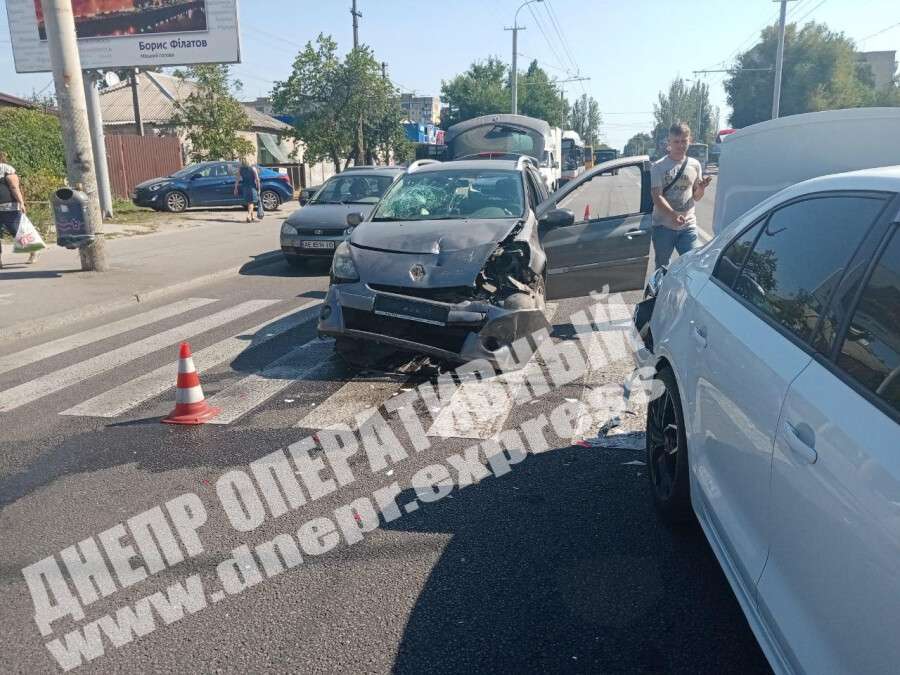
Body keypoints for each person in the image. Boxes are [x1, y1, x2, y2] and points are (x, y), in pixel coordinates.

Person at [649, 122, 712, 269]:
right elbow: (656, 197)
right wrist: (673, 215)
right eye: (676, 141)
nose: (680, 145)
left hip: (688, 226)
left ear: (689, 141)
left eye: (684, 141)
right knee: (662, 268)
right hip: (663, 227)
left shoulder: (695, 165)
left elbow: (696, 197)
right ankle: (661, 292)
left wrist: (701, 188)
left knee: (693, 265)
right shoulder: (658, 167)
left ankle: (685, 292)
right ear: (669, 142)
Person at [0, 152, 37, 269]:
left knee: (17, 231)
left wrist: (21, 202)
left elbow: (14, 187)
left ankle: (33, 251)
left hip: (8, 205)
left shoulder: (7, 169)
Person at [234, 158, 261, 222]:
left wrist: (235, 188)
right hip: (252, 187)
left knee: (249, 202)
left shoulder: (240, 169)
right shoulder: (253, 168)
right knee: (251, 202)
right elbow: (257, 179)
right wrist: (259, 188)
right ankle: (248, 216)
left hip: (245, 187)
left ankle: (252, 217)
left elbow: (237, 179)